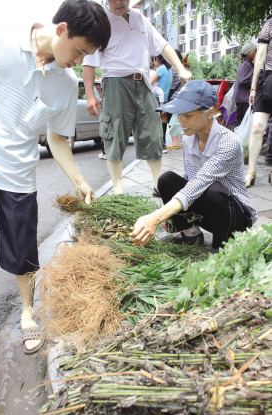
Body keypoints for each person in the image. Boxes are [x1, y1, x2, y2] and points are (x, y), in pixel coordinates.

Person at [0, 0, 111, 352]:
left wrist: (81, 182)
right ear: (61, 29)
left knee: (24, 251)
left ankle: (28, 313)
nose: (79, 62)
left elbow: (57, 139)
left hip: (18, 176)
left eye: (85, 58)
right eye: (79, 51)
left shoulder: (65, 83)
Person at [130, 80, 257, 252]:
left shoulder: (228, 143)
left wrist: (156, 218)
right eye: (179, 115)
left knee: (213, 190)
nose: (181, 121)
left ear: (210, 113)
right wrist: (170, 211)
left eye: (188, 116)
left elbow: (201, 182)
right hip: (211, 211)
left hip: (235, 216)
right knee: (167, 179)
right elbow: (190, 179)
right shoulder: (189, 138)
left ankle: (223, 246)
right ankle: (190, 233)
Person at [82, 0, 191, 195]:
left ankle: (159, 184)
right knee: (114, 133)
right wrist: (90, 95)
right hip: (115, 82)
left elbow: (163, 46)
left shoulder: (141, 19)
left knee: (154, 132)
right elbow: (89, 62)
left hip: (143, 83)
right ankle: (117, 187)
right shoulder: (101, 22)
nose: (118, 2)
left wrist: (181, 68)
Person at [246, 18, 272, 188]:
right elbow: (260, 56)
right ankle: (251, 171)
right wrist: (254, 87)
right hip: (268, 79)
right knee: (257, 127)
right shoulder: (270, 24)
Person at [150, 55, 172, 153]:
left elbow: (150, 82)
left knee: (154, 123)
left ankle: (156, 146)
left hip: (156, 98)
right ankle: (163, 145)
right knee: (163, 122)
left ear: (157, 59)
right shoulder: (169, 70)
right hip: (165, 98)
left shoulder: (160, 69)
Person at [233, 42, 257, 127]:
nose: (256, 53)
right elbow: (244, 80)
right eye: (255, 51)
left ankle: (236, 138)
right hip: (244, 99)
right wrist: (255, 83)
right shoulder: (248, 65)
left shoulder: (243, 63)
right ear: (249, 53)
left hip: (239, 98)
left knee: (240, 122)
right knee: (245, 123)